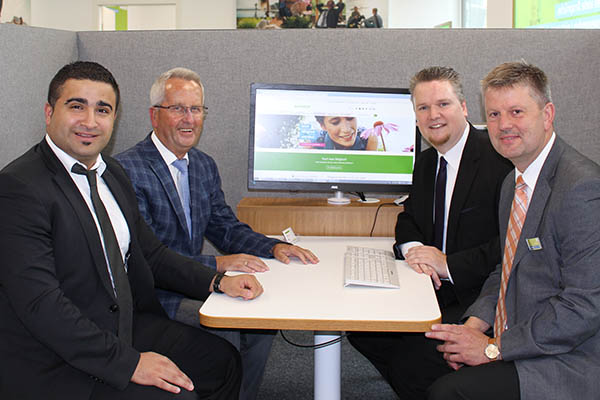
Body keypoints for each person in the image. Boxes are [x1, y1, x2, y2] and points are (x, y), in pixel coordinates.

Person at [0, 61, 265, 399]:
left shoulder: (111, 173)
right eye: (76, 106)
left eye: (103, 110)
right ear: (49, 112)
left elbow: (151, 254)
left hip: (123, 323)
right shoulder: (19, 188)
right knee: (178, 395)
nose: (90, 122)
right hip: (57, 352)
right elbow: (42, 305)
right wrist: (129, 363)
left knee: (222, 362)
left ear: (114, 118)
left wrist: (216, 282)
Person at [116, 67, 319, 400]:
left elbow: (224, 226)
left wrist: (273, 247)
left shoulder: (202, 164)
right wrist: (220, 265)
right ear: (155, 116)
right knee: (228, 327)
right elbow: (148, 259)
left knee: (261, 324)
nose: (189, 119)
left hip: (198, 282)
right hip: (158, 296)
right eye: (178, 108)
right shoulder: (127, 170)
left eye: (196, 110)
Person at [426, 61, 600, 400]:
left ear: (547, 114)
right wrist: (475, 324)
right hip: (521, 329)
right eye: (493, 115)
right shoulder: (513, 182)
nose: (504, 125)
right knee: (422, 360)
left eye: (516, 111)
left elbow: (584, 306)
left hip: (569, 356)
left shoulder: (582, 188)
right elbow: (506, 270)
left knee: (448, 393)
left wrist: (493, 348)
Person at [348, 66, 512, 399]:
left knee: (414, 361)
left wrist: (446, 263)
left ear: (464, 107)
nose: (433, 115)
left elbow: (510, 244)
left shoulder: (499, 159)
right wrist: (414, 251)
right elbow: (409, 219)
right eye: (423, 108)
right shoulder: (425, 162)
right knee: (362, 329)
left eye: (443, 104)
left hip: (478, 293)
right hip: (430, 285)